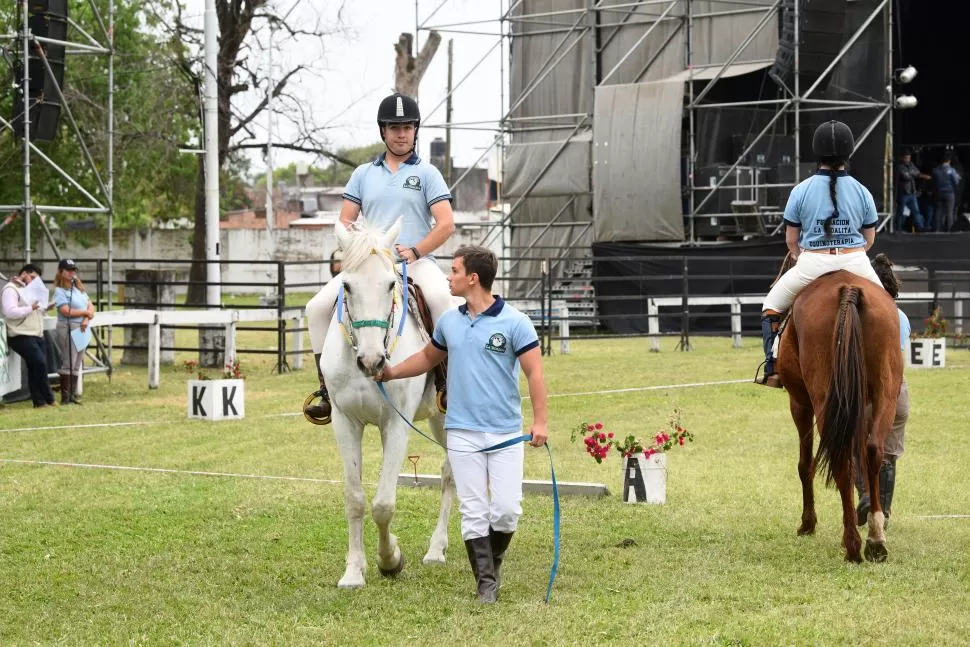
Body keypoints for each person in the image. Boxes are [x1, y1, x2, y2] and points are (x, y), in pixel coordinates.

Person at [377, 245, 549, 604]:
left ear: (473, 278)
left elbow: (534, 372)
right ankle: (486, 583)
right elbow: (428, 357)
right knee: (473, 510)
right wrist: (391, 371)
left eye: (454, 271)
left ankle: (492, 565)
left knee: (506, 510)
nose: (448, 277)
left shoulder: (516, 322)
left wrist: (541, 422)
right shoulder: (450, 321)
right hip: (461, 431)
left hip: (504, 431)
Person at [303, 92, 457, 424]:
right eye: (393, 127)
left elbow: (446, 224)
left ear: (415, 130)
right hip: (370, 266)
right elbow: (345, 221)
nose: (401, 134)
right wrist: (354, 249)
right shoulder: (362, 174)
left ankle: (446, 383)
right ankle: (326, 390)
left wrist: (416, 250)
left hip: (413, 262)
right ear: (383, 131)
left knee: (442, 299)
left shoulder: (428, 174)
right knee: (315, 308)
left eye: (407, 127)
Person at [759, 120, 885, 387]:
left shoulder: (800, 191)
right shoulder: (863, 192)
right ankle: (891, 363)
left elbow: (792, 240)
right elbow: (869, 239)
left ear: (817, 152)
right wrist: (851, 252)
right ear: (848, 153)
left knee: (771, 305)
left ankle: (773, 367)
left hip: (813, 262)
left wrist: (798, 255)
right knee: (889, 308)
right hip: (855, 260)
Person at [856, 253, 908, 528]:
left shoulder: (855, 314)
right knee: (888, 452)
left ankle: (866, 495)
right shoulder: (899, 316)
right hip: (894, 392)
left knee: (856, 448)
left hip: (861, 391)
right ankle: (883, 513)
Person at [1, 263, 56, 408]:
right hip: (20, 334)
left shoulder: (30, 290)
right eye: (31, 277)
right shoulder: (10, 289)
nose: (32, 281)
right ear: (23, 273)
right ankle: (49, 398)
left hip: (35, 333)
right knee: (40, 363)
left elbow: (36, 312)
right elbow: (10, 311)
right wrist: (30, 307)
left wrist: (45, 308)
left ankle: (39, 402)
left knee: (35, 366)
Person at [53, 258, 94, 405]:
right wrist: (85, 313)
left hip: (82, 327)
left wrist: (86, 319)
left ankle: (73, 395)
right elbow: (65, 310)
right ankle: (65, 397)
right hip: (68, 327)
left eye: (73, 270)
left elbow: (90, 306)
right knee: (68, 362)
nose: (71, 273)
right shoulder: (60, 291)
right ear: (61, 272)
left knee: (77, 363)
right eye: (68, 270)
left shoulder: (79, 289)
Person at [895, 149, 929, 232]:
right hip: (903, 193)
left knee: (916, 211)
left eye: (909, 158)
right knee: (901, 212)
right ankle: (898, 229)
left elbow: (917, 172)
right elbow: (906, 177)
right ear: (902, 158)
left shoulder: (911, 164)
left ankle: (921, 228)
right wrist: (914, 174)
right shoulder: (900, 166)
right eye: (906, 158)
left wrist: (912, 173)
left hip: (912, 193)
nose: (908, 160)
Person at [932, 153, 962, 232]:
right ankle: (950, 229)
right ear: (949, 161)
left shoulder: (936, 170)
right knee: (949, 212)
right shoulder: (951, 170)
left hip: (939, 193)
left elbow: (935, 181)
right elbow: (956, 181)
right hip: (949, 193)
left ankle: (938, 229)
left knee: (939, 212)